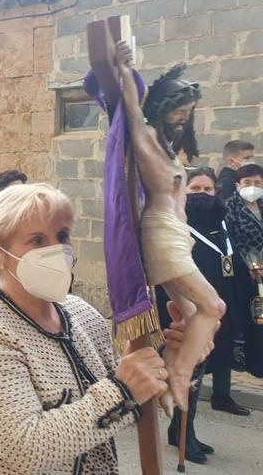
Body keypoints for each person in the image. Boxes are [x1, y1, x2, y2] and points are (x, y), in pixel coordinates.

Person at [0, 183, 206, 474]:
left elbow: (129, 407)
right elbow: (27, 448)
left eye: (63, 236)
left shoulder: (81, 313)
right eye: (37, 240)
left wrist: (173, 363)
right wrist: (123, 388)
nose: (57, 250)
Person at [116, 44, 224, 411]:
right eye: (179, 108)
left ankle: (170, 380)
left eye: (188, 111)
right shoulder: (145, 136)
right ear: (162, 106)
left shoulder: (167, 146)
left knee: (195, 316)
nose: (184, 116)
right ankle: (178, 375)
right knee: (214, 306)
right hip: (161, 234)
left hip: (177, 236)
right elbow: (132, 109)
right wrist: (126, 68)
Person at [157, 167, 245, 464]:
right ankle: (183, 433)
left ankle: (182, 429)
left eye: (208, 190)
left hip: (215, 316)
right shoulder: (173, 227)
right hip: (184, 316)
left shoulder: (220, 226)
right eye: (195, 190)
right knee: (187, 376)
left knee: (198, 374)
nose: (202, 196)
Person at [225, 163, 263, 380]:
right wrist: (248, 266)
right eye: (247, 183)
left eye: (257, 183)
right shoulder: (230, 207)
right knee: (249, 319)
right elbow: (232, 241)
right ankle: (250, 360)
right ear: (238, 185)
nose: (252, 187)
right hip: (243, 273)